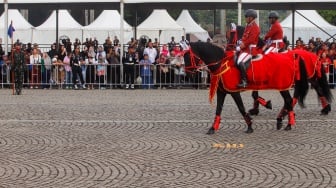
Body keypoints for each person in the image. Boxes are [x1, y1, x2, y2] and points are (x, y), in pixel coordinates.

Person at [236, 9, 260, 88]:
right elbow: (244, 37)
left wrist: (242, 46)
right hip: (245, 49)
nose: (245, 18)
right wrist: (239, 42)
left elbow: (251, 40)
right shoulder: (247, 26)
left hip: (250, 50)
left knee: (240, 61)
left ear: (251, 18)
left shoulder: (255, 27)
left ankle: (244, 81)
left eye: (246, 17)